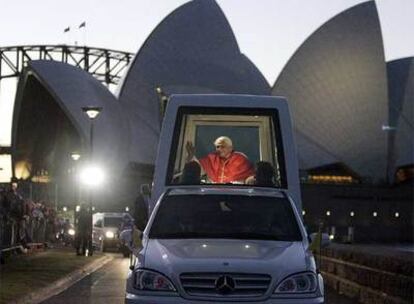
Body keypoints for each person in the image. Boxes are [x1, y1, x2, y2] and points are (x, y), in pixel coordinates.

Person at [186, 136, 254, 183]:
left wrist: (249, 180)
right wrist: (191, 156)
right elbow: (198, 169)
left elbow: (250, 176)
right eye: (217, 147)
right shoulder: (211, 158)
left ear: (230, 148)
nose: (219, 149)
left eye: (223, 147)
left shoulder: (240, 158)